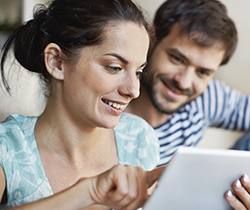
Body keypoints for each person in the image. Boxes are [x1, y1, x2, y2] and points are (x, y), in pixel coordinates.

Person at [125, 0, 250, 209]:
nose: (183, 82)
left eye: (202, 72)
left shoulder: (208, 97)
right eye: (177, 59)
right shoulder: (112, 104)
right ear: (152, 39)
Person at [0, 0, 163, 209]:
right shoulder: (7, 150)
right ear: (57, 62)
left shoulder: (140, 138)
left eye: (138, 72)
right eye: (114, 67)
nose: (133, 90)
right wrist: (89, 191)